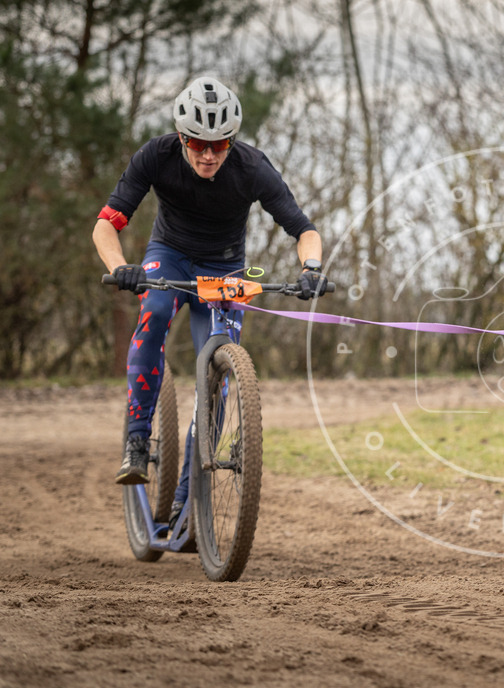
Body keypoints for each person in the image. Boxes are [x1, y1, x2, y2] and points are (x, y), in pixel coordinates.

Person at [93, 76, 328, 527]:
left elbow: (304, 230)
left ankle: (187, 498)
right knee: (154, 312)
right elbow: (106, 224)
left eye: (219, 145)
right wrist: (121, 266)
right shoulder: (156, 155)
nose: (208, 154)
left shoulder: (252, 167)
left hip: (224, 268)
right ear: (181, 137)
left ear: (231, 141)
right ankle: (137, 440)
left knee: (217, 369)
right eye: (197, 143)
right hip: (169, 256)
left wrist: (311, 269)